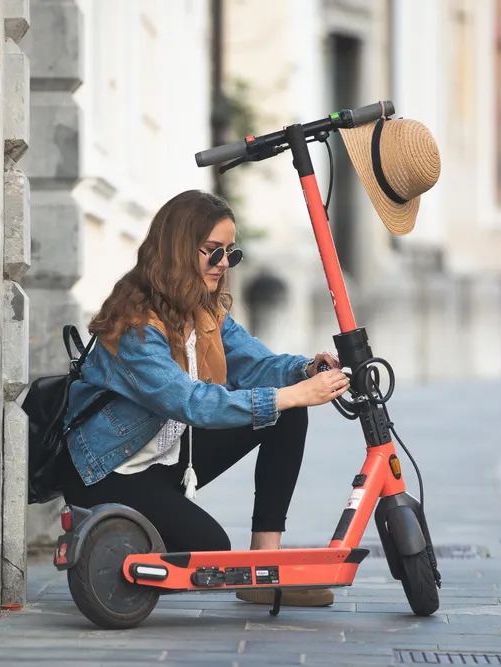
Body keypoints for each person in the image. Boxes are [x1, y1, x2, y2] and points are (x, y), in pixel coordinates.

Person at [59, 189, 350, 608]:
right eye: (213, 251)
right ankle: (110, 539)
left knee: (287, 413)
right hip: (111, 472)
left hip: (163, 459)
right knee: (210, 549)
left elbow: (255, 364)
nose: (223, 263)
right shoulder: (135, 327)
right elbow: (192, 403)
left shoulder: (203, 311)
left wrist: (305, 370)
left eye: (230, 253)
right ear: (179, 249)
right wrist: (290, 394)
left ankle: (263, 567)